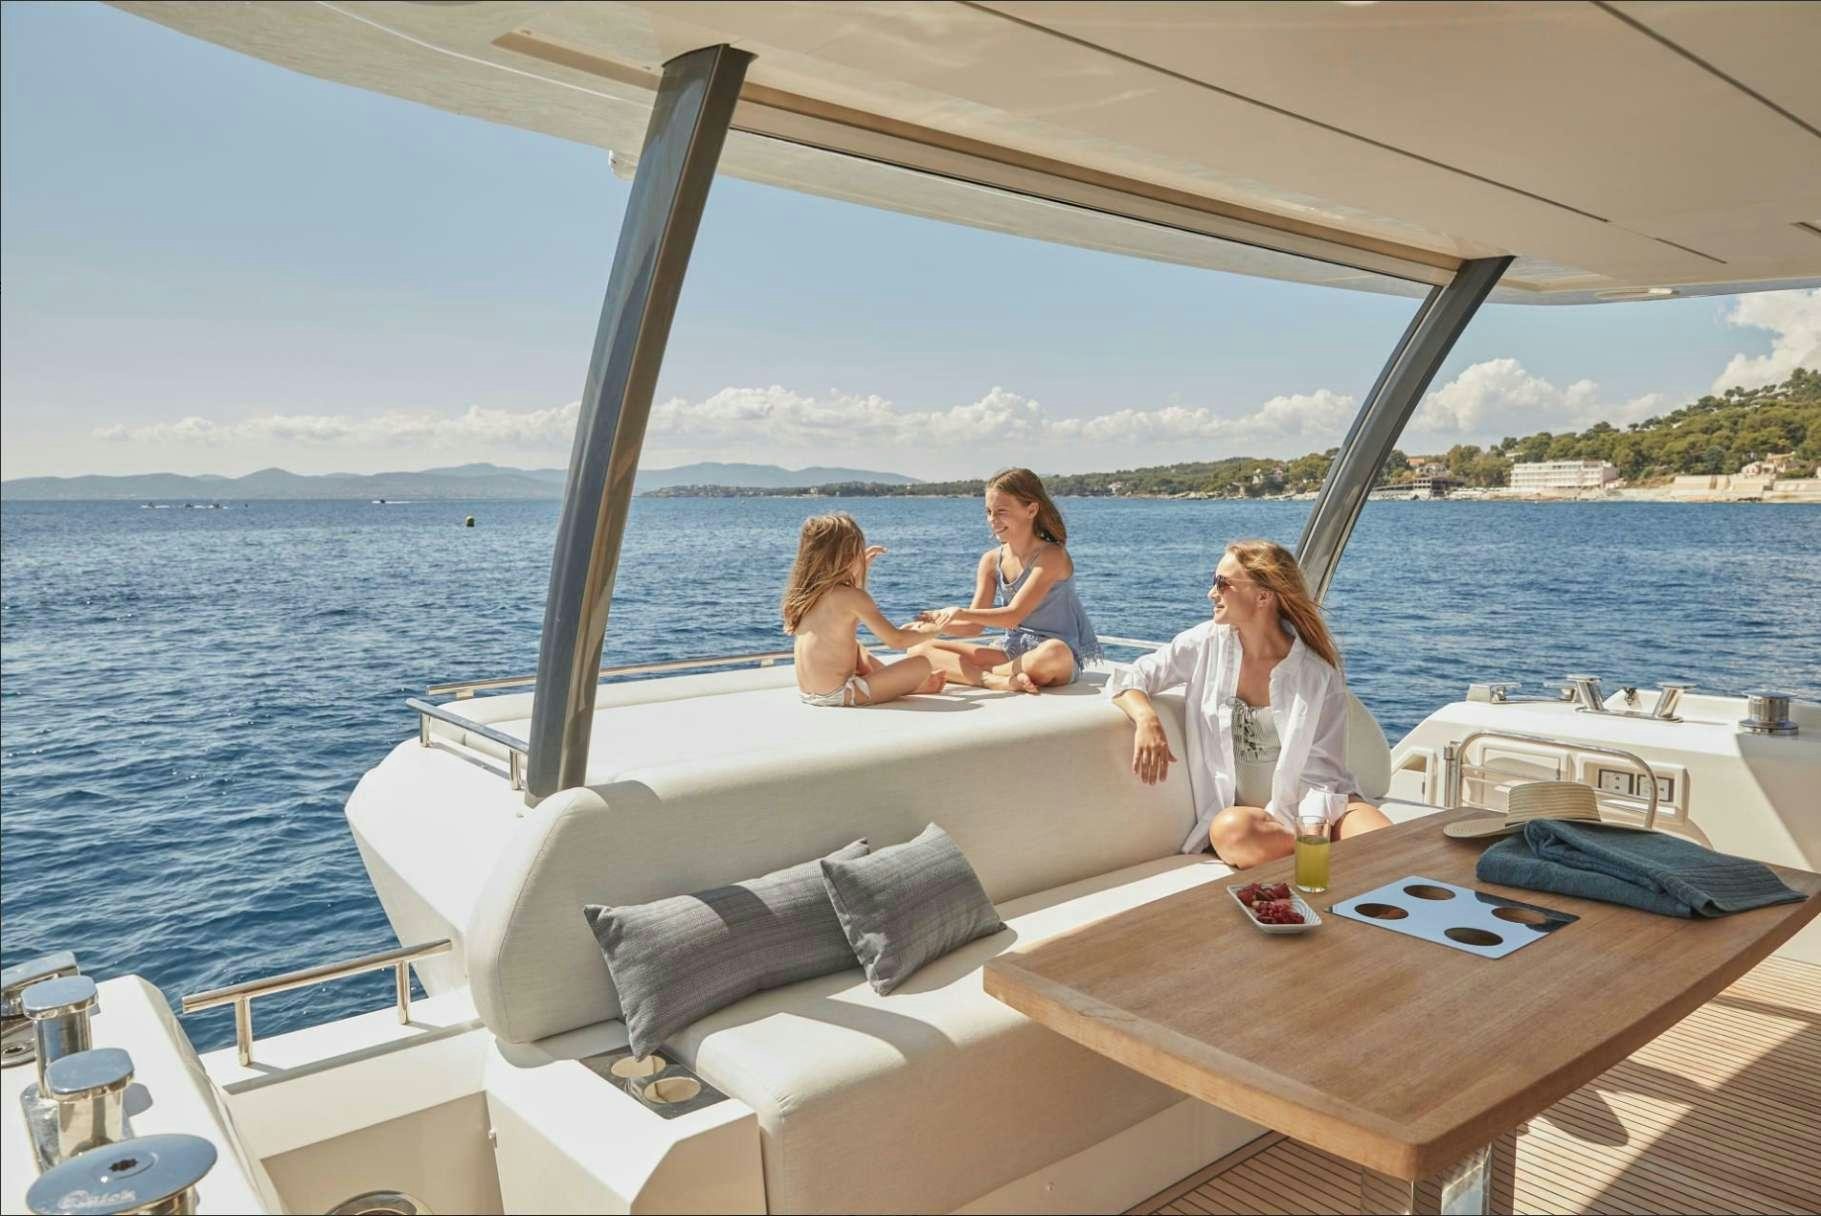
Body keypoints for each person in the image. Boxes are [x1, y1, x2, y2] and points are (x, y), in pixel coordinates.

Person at [1107, 539, 1390, 865]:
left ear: (1263, 596)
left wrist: (1313, 836)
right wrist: (1147, 719)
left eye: (1222, 584)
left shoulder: (1317, 673)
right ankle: (1343, 869)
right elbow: (1133, 677)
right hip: (1257, 826)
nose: (1211, 594)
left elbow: (1323, 778)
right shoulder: (1204, 644)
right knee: (1230, 831)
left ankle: (1327, 866)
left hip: (1322, 809)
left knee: (1385, 841)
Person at [910, 468, 1102, 693]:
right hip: (1010, 652)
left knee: (1053, 654)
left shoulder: (1052, 556)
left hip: (1053, 655)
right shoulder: (991, 560)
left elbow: (1014, 614)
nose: (992, 520)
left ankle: (981, 673)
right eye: (988, 512)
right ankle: (993, 679)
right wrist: (928, 627)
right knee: (918, 649)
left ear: (1031, 510)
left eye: (1001, 511)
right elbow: (973, 627)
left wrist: (959, 612)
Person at [783, 513, 947, 708]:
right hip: (841, 694)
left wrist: (859, 573)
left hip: (808, 694)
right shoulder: (853, 597)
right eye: (857, 551)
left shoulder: (805, 596)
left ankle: (897, 685)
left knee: (856, 646)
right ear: (846, 557)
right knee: (921, 664)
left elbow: (847, 611)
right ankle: (907, 686)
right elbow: (896, 640)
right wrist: (932, 630)